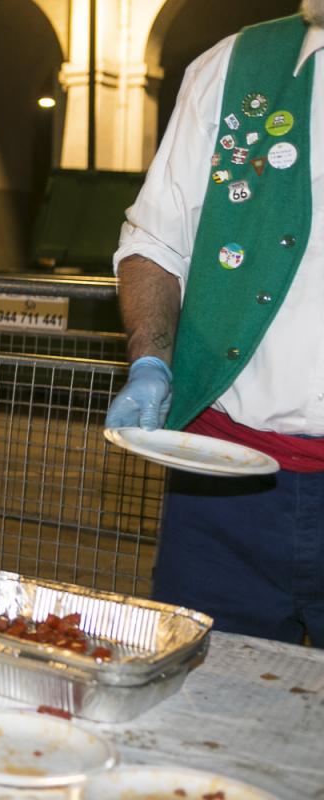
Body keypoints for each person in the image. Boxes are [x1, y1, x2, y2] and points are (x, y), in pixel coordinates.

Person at [105, 4, 324, 645]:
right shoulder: (232, 67)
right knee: (198, 686)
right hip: (222, 485)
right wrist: (151, 357)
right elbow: (155, 239)